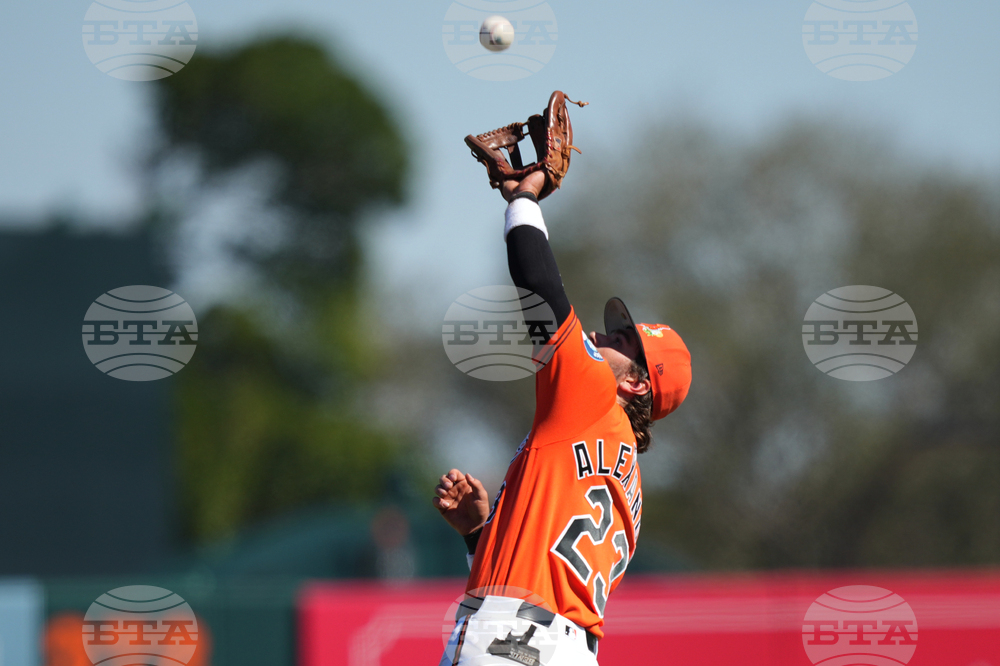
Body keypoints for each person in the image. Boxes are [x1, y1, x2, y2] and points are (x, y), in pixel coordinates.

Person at [434, 171, 692, 666]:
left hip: (508, 641)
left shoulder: (593, 394)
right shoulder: (630, 488)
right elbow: (546, 567)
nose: (601, 334)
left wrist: (523, 200)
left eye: (621, 341)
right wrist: (478, 536)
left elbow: (539, 290)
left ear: (635, 384)